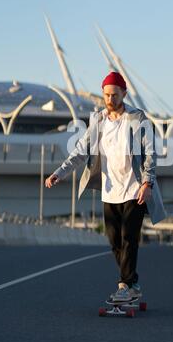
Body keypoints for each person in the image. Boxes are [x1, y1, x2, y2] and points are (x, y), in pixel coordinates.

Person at [45, 71, 166, 301]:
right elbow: (81, 151)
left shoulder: (138, 119)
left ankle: (125, 286)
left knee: (129, 237)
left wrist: (147, 182)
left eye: (114, 95)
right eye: (106, 95)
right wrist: (59, 173)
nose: (110, 100)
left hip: (134, 189)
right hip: (110, 191)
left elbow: (150, 153)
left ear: (124, 94)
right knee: (114, 242)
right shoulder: (98, 120)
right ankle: (133, 283)